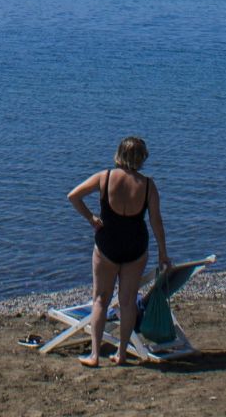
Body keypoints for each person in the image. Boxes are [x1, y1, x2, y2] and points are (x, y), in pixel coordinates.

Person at [66, 136, 169, 367]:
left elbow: (73, 196)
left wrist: (91, 218)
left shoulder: (105, 177)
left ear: (119, 154)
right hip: (135, 246)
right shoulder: (148, 186)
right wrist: (163, 253)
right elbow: (156, 222)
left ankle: (94, 355)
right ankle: (122, 353)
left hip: (107, 245)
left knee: (100, 299)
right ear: (142, 158)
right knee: (128, 301)